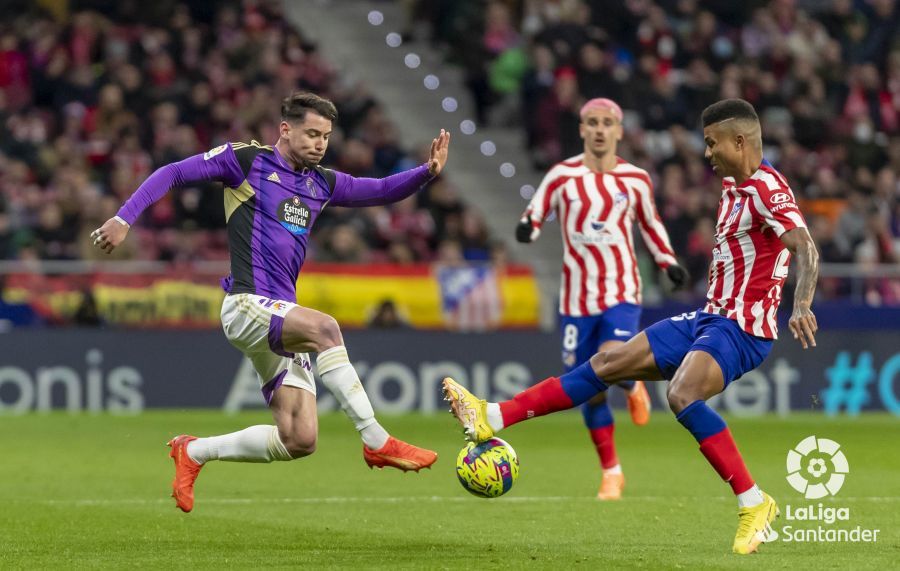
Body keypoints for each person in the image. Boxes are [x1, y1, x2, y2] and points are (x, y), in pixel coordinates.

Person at [444, 98, 819, 555]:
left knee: (681, 394)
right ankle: (493, 416)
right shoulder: (732, 185)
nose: (707, 154)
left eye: (712, 143)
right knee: (606, 362)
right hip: (709, 318)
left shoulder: (767, 189)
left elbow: (805, 246)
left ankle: (753, 502)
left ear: (739, 141)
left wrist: (801, 304)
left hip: (743, 328)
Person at [91, 92, 450, 512]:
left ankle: (194, 451)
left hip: (277, 319)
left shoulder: (322, 183)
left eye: (326, 137)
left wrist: (427, 172)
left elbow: (381, 190)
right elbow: (172, 172)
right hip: (246, 304)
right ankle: (375, 439)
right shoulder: (245, 161)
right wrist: (123, 218)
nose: (320, 143)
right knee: (326, 329)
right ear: (285, 129)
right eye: (312, 133)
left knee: (300, 438)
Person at [515, 97, 689, 500]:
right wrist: (528, 228)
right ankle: (612, 471)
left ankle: (630, 386)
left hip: (621, 290)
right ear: (581, 129)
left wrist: (667, 262)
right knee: (589, 389)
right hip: (576, 299)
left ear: (619, 130)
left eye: (606, 123)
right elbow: (536, 212)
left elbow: (651, 222)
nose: (598, 129)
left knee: (612, 358)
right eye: (591, 122)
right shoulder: (562, 176)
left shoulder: (635, 179)